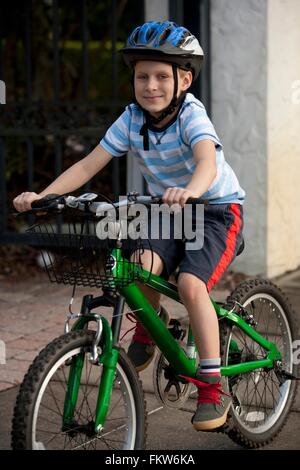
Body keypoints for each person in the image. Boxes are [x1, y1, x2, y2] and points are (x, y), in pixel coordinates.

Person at [13, 21, 245, 432]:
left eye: (161, 76)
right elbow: (89, 163)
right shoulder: (131, 118)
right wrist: (44, 196)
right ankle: (148, 334)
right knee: (138, 266)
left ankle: (212, 386)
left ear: (184, 80)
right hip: (168, 210)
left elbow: (207, 161)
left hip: (214, 210)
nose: (150, 85)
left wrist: (190, 189)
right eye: (142, 76)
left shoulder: (192, 115)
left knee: (192, 285)